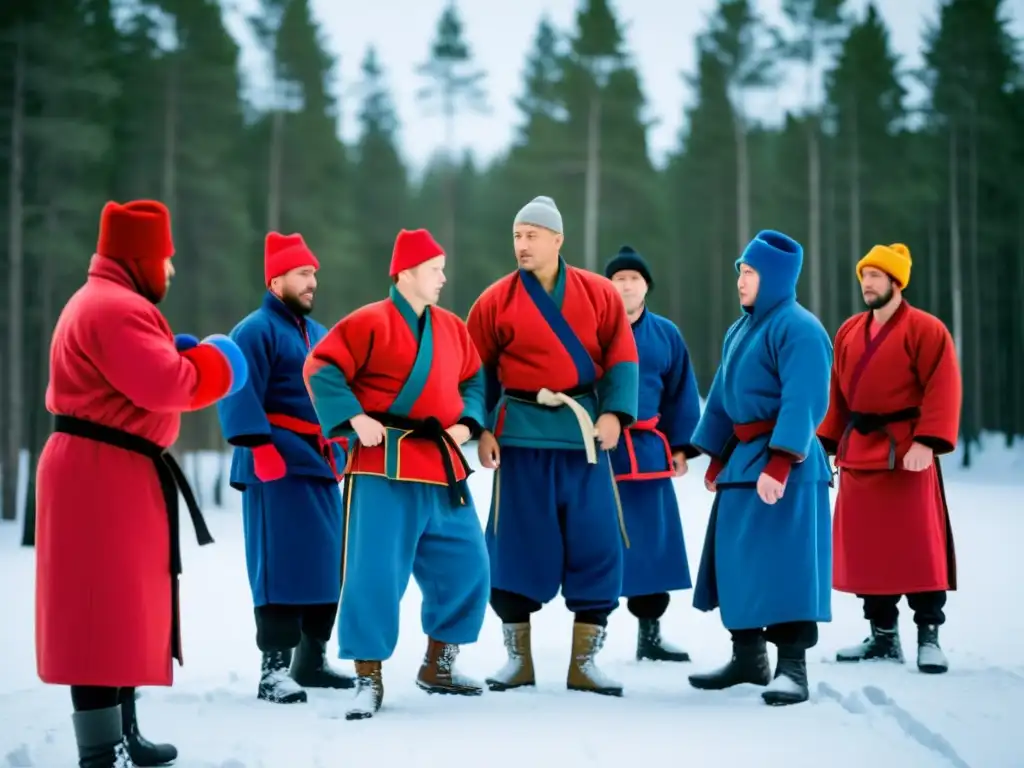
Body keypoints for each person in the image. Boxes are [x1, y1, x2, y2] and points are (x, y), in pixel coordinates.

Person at [35, 200, 249, 768]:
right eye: (165, 259)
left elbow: (139, 375)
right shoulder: (113, 307)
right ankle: (101, 751)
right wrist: (218, 362)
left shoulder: (108, 302)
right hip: (99, 475)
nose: (171, 271)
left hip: (112, 471)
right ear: (140, 258)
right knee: (98, 611)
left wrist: (173, 352)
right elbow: (166, 386)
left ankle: (124, 733)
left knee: (122, 608)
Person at [304, 228, 490, 721]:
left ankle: (439, 665)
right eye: (435, 270)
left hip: (443, 464)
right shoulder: (368, 322)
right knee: (374, 575)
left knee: (470, 565)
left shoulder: (452, 327)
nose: (444, 278)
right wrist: (354, 417)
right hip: (382, 463)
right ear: (406, 272)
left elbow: (474, 377)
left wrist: (468, 421)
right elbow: (320, 367)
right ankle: (368, 677)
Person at [466, 196, 639, 697]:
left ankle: (584, 663)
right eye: (517, 236)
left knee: (597, 541)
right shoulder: (494, 300)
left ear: (558, 240)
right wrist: (483, 429)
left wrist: (613, 413)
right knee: (515, 541)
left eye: (532, 235)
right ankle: (517, 660)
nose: (522, 245)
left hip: (583, 435)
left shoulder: (600, 293)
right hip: (519, 437)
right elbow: (475, 373)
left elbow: (622, 355)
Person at [687, 230, 833, 707]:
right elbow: (725, 401)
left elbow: (805, 399)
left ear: (772, 278)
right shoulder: (739, 330)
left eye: (749, 273)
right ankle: (748, 657)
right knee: (739, 564)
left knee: (787, 566)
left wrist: (780, 460)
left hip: (785, 467)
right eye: (740, 273)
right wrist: (717, 455)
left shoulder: (800, 328)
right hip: (744, 463)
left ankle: (792, 667)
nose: (741, 282)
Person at [216, 232, 354, 705]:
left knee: (326, 564)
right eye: (302, 274)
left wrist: (345, 442)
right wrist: (257, 446)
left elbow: (338, 395)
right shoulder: (254, 330)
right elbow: (235, 389)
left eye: (314, 272)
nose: (313, 281)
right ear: (276, 280)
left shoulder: (320, 335)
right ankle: (272, 671)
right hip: (274, 465)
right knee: (280, 567)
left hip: (319, 464)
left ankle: (311, 661)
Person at [818, 243, 961, 674]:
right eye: (864, 275)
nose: (867, 283)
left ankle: (929, 635)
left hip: (907, 451)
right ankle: (882, 635)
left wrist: (927, 442)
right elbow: (837, 394)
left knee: (918, 546)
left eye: (876, 276)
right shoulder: (847, 332)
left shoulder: (926, 329)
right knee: (867, 549)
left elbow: (944, 386)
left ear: (897, 281)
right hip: (860, 451)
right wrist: (827, 443)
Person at [605, 246, 701, 662]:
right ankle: (590, 635)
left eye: (634, 279)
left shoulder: (666, 334)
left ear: (646, 286)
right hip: (601, 455)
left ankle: (651, 634)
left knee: (651, 544)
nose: (626, 285)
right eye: (618, 278)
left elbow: (682, 393)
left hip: (648, 452)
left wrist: (681, 447)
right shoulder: (591, 330)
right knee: (599, 543)